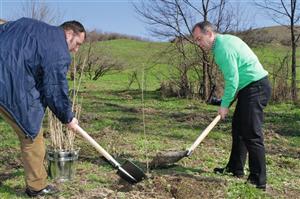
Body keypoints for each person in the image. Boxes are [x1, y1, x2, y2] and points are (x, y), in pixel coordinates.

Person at [0, 18, 85, 197]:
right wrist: (67, 117)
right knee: (32, 137)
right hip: (9, 87)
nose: (76, 50)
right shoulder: (59, 49)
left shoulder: (28, 24)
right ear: (69, 34)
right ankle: (36, 187)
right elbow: (55, 87)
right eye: (77, 44)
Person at [192, 21, 271, 190]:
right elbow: (236, 78)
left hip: (255, 87)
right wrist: (228, 100)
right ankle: (235, 168)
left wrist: (224, 104)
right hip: (248, 87)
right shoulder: (225, 41)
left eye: (200, 39)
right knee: (238, 129)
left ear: (210, 34)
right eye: (196, 40)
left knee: (251, 133)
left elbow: (232, 80)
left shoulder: (222, 49)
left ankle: (258, 180)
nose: (199, 44)